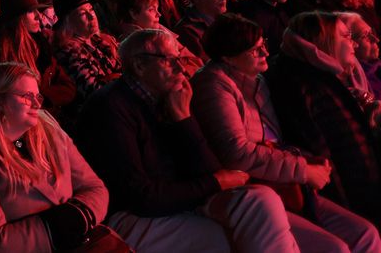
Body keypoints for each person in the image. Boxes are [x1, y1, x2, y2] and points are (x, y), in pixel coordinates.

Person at [76, 28, 301, 253]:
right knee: (228, 240)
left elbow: (206, 170)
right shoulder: (110, 107)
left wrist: (183, 119)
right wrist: (214, 183)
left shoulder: (170, 98)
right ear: (139, 66)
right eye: (169, 60)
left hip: (180, 201)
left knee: (262, 200)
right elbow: (140, 196)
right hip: (131, 215)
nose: (181, 68)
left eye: (180, 59)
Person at [192, 13, 381, 252]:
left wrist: (307, 160)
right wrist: (303, 169)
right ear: (228, 58)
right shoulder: (214, 85)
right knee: (335, 248)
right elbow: (236, 152)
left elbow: (279, 139)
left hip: (285, 181)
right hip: (257, 187)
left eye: (263, 45)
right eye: (254, 50)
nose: (264, 53)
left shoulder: (259, 81)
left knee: (366, 234)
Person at [0, 62, 111, 253]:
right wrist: (57, 228)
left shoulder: (48, 126)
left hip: (83, 241)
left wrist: (79, 217)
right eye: (26, 96)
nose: (37, 104)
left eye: (37, 96)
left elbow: (95, 188)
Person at [267, 11, 381, 225]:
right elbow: (322, 149)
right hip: (354, 198)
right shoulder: (304, 85)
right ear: (323, 40)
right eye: (347, 37)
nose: (354, 45)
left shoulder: (318, 77)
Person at [52, 0, 121, 102]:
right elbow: (94, 91)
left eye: (91, 9)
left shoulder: (102, 40)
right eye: (82, 14)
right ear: (69, 22)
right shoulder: (68, 52)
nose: (91, 16)